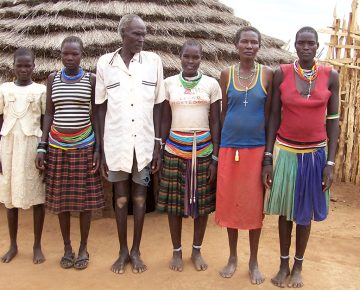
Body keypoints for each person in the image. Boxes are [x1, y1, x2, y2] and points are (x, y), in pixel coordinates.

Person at [262, 26, 339, 288]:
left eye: (311, 43)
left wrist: (330, 162)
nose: (306, 47)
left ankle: (298, 266)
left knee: (304, 214)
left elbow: (333, 121)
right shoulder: (280, 73)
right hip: (286, 152)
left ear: (317, 45)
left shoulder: (330, 76)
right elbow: (273, 116)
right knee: (285, 212)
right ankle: (283, 264)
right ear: (294, 45)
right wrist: (268, 157)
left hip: (316, 155)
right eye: (301, 43)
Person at [95, 14, 165, 274]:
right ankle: (122, 251)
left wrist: (158, 144)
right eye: (137, 34)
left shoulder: (153, 62)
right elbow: (99, 109)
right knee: (121, 199)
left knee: (139, 197)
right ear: (123, 34)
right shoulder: (105, 63)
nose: (142, 39)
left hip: (145, 147)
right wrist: (101, 149)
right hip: (116, 144)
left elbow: (159, 104)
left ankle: (136, 251)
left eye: (144, 34)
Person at [35, 36, 105, 270]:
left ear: (82, 54)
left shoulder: (91, 80)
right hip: (57, 147)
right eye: (66, 53)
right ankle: (67, 248)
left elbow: (96, 114)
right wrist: (42, 145)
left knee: (85, 202)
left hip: (84, 145)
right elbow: (48, 114)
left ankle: (84, 247)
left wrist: (98, 148)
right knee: (61, 202)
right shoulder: (52, 79)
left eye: (74, 53)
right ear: (61, 54)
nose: (70, 58)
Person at [157, 39, 221, 272]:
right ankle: (176, 251)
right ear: (180, 57)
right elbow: (164, 119)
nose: (191, 61)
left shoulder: (212, 84)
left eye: (196, 57)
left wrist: (215, 155)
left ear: (201, 59)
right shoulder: (169, 83)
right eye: (187, 57)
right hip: (174, 148)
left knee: (201, 205)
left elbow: (215, 121)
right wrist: (160, 147)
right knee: (174, 205)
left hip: (203, 150)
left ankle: (196, 250)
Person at [215, 26, 273, 284]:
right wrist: (218, 153)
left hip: (256, 150)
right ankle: (232, 257)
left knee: (253, 207)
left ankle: (253, 260)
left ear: (259, 46)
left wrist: (268, 155)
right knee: (230, 204)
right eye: (244, 42)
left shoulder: (268, 75)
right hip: (230, 149)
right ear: (236, 45)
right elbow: (223, 113)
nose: (249, 46)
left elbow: (271, 116)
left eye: (254, 42)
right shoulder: (226, 74)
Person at [0, 48, 46, 264]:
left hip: (32, 148)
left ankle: (37, 245)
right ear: (13, 67)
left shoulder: (41, 91)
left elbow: (46, 121)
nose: (24, 69)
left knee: (37, 197)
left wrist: (43, 149)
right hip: (8, 147)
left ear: (34, 67)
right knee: (10, 198)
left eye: (28, 65)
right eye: (20, 65)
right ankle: (13, 244)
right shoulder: (4, 89)